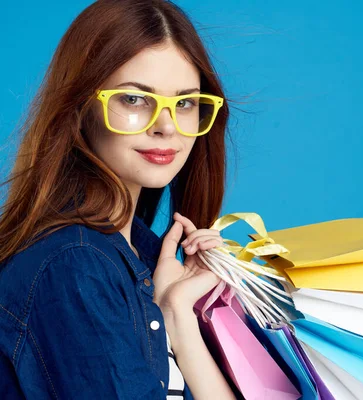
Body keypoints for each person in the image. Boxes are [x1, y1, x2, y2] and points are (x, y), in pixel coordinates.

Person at [0, 0, 237, 398]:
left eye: (184, 103)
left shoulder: (139, 255)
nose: (166, 126)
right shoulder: (75, 266)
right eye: (133, 99)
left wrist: (177, 315)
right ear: (80, 108)